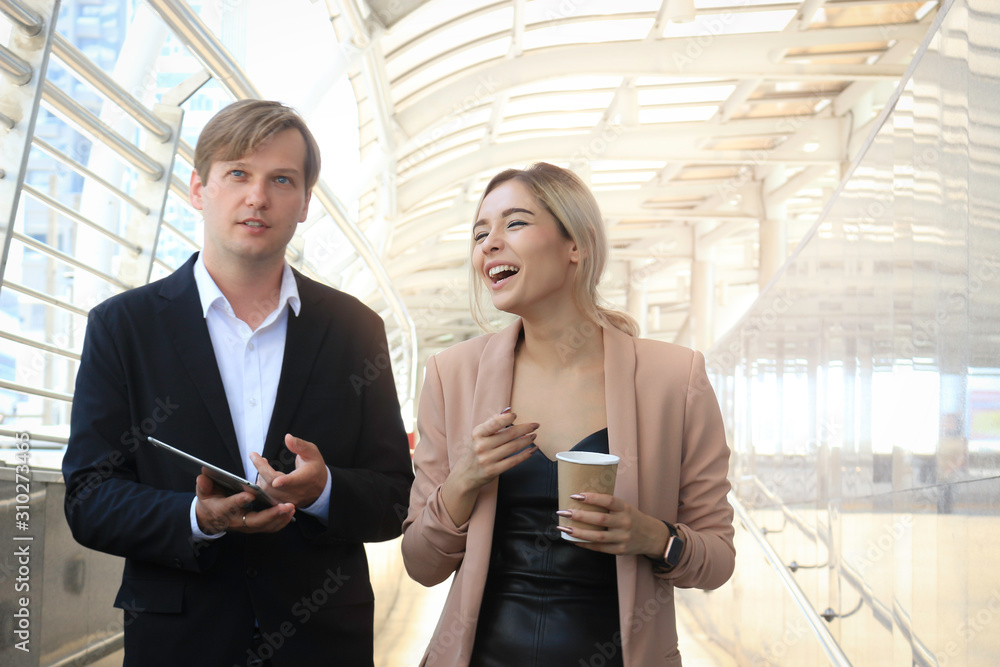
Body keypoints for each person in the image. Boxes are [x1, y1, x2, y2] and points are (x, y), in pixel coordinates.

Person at [62, 99, 414, 667]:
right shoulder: (123, 327)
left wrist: (324, 491)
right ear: (199, 189)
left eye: (282, 179)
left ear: (305, 203)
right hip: (180, 644)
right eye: (238, 174)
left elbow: (395, 496)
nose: (258, 197)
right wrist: (196, 517)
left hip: (320, 643)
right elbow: (88, 497)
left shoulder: (355, 329)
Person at [401, 162, 735, 666]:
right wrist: (463, 481)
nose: (489, 244)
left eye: (515, 223)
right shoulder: (452, 375)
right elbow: (420, 564)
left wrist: (652, 536)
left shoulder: (675, 378)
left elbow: (718, 560)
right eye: (479, 233)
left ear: (575, 244)